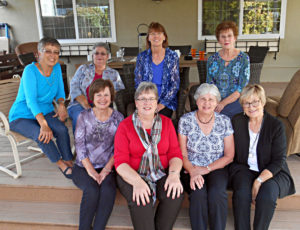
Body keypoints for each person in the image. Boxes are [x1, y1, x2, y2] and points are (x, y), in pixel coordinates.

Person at [114, 82, 184, 230]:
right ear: (136, 103)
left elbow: (175, 153)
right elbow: (120, 162)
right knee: (142, 200)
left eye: (151, 98)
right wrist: (137, 182)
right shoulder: (125, 126)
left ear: (156, 102)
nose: (147, 103)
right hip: (131, 174)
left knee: (175, 195)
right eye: (142, 99)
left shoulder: (167, 123)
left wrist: (173, 174)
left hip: (160, 172)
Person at [229, 84, 295, 230]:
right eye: (246, 103)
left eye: (255, 102)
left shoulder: (276, 125)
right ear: (242, 105)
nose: (251, 106)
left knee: (267, 196)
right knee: (241, 193)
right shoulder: (237, 121)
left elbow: (278, 160)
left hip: (272, 170)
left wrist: (258, 181)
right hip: (243, 167)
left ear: (263, 102)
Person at [9, 37, 73, 179]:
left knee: (62, 129)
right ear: (38, 54)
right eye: (48, 51)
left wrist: (61, 104)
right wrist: (44, 124)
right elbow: (31, 101)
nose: (53, 55)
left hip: (44, 111)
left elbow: (60, 93)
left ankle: (68, 159)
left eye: (56, 52)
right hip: (21, 116)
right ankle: (61, 164)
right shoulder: (30, 70)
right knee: (42, 134)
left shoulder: (56, 68)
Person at [178, 83, 234, 230]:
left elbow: (229, 156)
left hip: (217, 167)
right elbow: (182, 154)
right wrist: (193, 170)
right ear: (196, 100)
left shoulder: (224, 121)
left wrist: (207, 168)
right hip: (191, 167)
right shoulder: (185, 120)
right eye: (203, 99)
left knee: (217, 193)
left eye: (211, 99)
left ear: (217, 102)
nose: (207, 103)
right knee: (198, 194)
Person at [72, 79, 123, 230]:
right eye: (98, 95)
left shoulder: (118, 118)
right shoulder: (84, 116)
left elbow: (119, 148)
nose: (102, 99)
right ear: (92, 97)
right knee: (92, 190)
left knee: (107, 191)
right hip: (83, 166)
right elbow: (79, 146)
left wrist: (106, 170)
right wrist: (91, 171)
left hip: (108, 167)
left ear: (111, 97)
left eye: (106, 95)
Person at [68, 42, 125, 131]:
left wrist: (105, 103)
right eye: (96, 53)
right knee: (81, 117)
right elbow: (74, 87)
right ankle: (80, 143)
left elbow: (120, 91)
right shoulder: (83, 69)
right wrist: (87, 107)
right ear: (92, 55)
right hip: (80, 105)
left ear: (107, 56)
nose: (99, 56)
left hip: (103, 105)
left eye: (103, 53)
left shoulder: (114, 73)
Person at [134, 22, 180, 118]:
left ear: (164, 37)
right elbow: (138, 83)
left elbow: (175, 84)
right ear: (148, 38)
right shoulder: (142, 57)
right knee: (143, 119)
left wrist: (162, 104)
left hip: (165, 100)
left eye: (159, 33)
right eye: (152, 34)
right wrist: (147, 101)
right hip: (146, 98)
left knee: (160, 119)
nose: (156, 36)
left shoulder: (172, 56)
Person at [207, 21, 250, 118]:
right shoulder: (212, 60)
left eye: (229, 36)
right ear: (219, 40)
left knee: (221, 115)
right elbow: (210, 85)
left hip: (236, 100)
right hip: (216, 99)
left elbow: (241, 88)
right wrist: (215, 102)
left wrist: (223, 103)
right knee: (204, 112)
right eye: (223, 36)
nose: (226, 39)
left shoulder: (243, 58)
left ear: (235, 38)